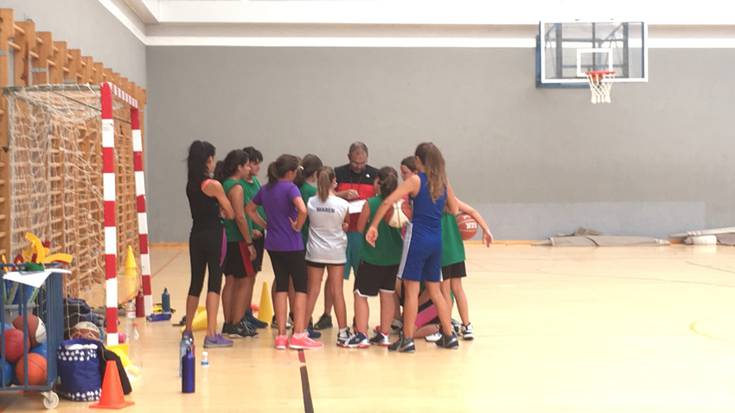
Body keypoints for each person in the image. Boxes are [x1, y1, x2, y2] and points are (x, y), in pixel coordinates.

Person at [366, 142, 459, 352]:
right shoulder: (443, 182)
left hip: (418, 239)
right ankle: (449, 336)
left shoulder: (415, 180)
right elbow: (453, 209)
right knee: (435, 290)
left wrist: (373, 226)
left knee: (411, 290)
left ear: (418, 160)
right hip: (437, 241)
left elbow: (388, 201)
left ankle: (407, 339)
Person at [246, 154, 321, 350]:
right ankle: (298, 333)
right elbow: (303, 210)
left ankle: (280, 336)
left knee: (281, 285)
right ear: (290, 172)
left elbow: (250, 209)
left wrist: (265, 225)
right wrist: (297, 225)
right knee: (300, 288)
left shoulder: (266, 189)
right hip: (292, 244)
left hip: (273, 244)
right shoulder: (290, 188)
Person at [314, 142, 378, 331]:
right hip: (339, 232)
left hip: (362, 233)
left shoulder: (374, 175)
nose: (359, 166)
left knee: (362, 276)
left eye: (363, 162)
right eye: (356, 162)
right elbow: (326, 194)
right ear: (348, 157)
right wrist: (342, 194)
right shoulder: (337, 173)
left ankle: (360, 318)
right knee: (334, 278)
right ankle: (326, 315)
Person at [184, 140, 235, 348]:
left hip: (196, 235)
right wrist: (223, 209)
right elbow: (230, 213)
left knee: (195, 282)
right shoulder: (213, 185)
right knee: (214, 282)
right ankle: (211, 334)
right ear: (208, 160)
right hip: (215, 235)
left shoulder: (190, 184)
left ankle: (187, 331)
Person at [347, 167, 404, 348]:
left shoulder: (370, 203)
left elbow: (360, 228)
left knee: (360, 295)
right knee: (387, 295)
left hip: (372, 258)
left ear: (378, 182)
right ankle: (384, 334)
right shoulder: (401, 204)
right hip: (394, 257)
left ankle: (362, 334)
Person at [303, 167, 351, 346]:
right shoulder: (342, 204)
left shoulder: (311, 202)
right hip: (336, 252)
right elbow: (345, 224)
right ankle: (344, 332)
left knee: (312, 290)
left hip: (315, 251)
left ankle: (301, 329)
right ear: (334, 182)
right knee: (337, 291)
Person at [215, 149, 259, 339]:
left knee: (230, 281)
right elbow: (240, 217)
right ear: (239, 167)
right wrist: (248, 241)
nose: (249, 168)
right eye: (247, 164)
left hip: (226, 238)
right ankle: (236, 322)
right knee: (244, 281)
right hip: (238, 239)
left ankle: (228, 322)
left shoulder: (224, 184)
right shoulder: (237, 187)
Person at [438, 199, 493, 340]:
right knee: (458, 288)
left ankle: (447, 327)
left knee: (445, 291)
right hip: (457, 252)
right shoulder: (451, 201)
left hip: (443, 253)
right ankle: (467, 325)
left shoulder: (432, 201)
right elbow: (472, 211)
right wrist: (486, 229)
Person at [239, 146, 269, 329]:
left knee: (253, 275)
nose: (257, 167)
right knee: (244, 277)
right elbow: (242, 212)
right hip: (248, 237)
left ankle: (247, 311)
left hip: (260, 235)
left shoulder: (256, 183)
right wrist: (250, 232)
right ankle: (240, 314)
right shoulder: (240, 186)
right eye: (254, 163)